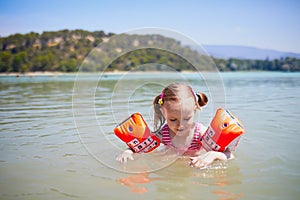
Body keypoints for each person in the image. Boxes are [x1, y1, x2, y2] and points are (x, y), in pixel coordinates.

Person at [116, 83, 234, 168]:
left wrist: (213, 155)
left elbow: (229, 155)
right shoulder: (164, 134)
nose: (180, 125)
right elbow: (141, 146)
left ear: (195, 109)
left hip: (195, 170)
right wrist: (128, 152)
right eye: (173, 119)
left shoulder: (200, 133)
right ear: (163, 112)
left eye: (187, 119)